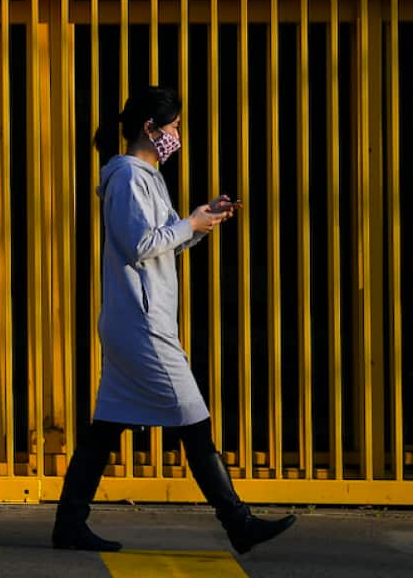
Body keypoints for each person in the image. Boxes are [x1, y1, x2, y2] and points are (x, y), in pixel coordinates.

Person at [51, 86, 296, 554]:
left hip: (141, 319)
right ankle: (238, 523)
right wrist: (188, 226)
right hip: (142, 325)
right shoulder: (126, 176)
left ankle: (69, 524)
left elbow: (163, 241)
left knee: (105, 427)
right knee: (193, 419)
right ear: (150, 128)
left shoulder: (148, 176)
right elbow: (140, 245)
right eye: (175, 126)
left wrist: (201, 221)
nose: (177, 134)